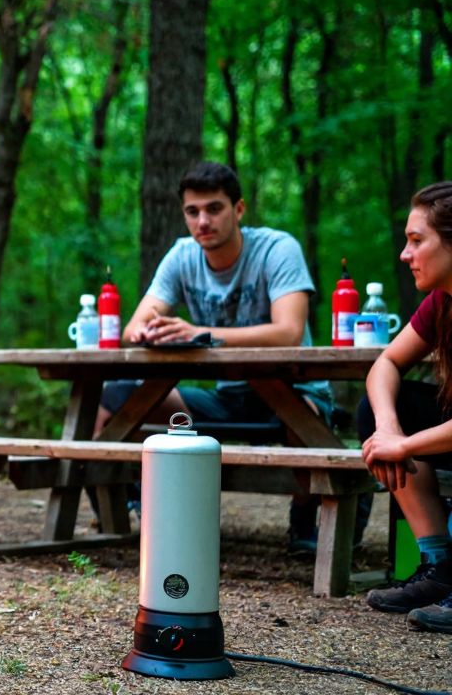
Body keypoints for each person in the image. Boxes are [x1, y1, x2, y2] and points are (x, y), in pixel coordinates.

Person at [97, 162, 338, 551]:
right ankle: (126, 512)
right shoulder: (182, 256)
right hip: (228, 398)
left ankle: (307, 517)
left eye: (214, 209)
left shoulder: (277, 249)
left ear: (239, 209)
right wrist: (147, 332)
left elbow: (289, 331)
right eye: (192, 212)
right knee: (114, 399)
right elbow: (132, 328)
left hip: (295, 391)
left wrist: (201, 334)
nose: (202, 221)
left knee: (303, 419)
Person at [360, 181, 452, 632]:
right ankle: (440, 569)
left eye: (417, 241)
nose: (404, 253)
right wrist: (389, 428)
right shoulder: (441, 303)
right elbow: (386, 363)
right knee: (373, 409)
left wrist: (405, 444)